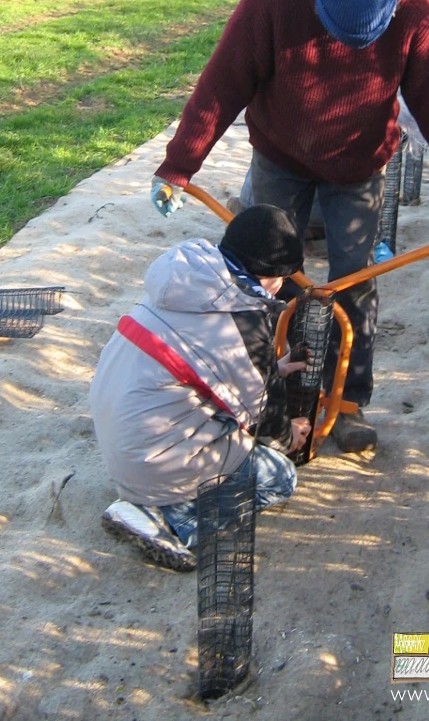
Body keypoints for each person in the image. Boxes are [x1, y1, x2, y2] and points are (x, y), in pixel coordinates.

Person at [151, 0, 429, 454]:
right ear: (319, 3)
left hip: (358, 164)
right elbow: (222, 82)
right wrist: (179, 165)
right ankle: (265, 394)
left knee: (354, 278)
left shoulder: (414, 14)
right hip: (280, 153)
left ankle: (348, 402)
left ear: (392, 6)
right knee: (264, 278)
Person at [90, 205, 311, 572]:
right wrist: (290, 437)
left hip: (121, 434)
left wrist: (274, 368)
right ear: (273, 276)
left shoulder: (189, 280)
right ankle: (170, 522)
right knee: (279, 477)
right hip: (153, 461)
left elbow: (203, 361)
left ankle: (150, 500)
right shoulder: (241, 325)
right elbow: (265, 419)